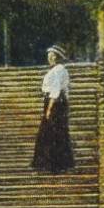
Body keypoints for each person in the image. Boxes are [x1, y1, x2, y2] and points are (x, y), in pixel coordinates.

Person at [32, 44, 75, 172]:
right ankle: (54, 164)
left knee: (53, 132)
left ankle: (54, 165)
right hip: (55, 102)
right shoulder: (58, 70)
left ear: (58, 57)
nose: (50, 58)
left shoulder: (58, 70)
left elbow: (56, 91)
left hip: (55, 103)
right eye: (49, 56)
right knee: (54, 133)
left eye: (53, 56)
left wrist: (50, 108)